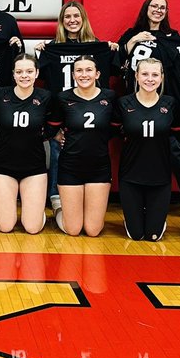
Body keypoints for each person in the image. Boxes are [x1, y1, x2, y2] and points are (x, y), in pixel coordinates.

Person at [49, 56, 119, 237]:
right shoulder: (64, 98)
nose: (84, 74)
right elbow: (52, 125)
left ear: (97, 74)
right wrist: (58, 135)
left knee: (93, 230)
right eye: (79, 71)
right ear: (73, 74)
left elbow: (116, 127)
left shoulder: (109, 97)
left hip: (99, 167)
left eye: (89, 70)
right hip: (70, 166)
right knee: (73, 230)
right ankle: (58, 208)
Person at [116, 57, 180, 241]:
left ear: (162, 77)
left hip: (160, 177)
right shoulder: (123, 104)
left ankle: (157, 220)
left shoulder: (170, 104)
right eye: (144, 74)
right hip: (130, 176)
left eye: (155, 74)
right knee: (136, 235)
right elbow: (111, 131)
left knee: (153, 236)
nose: (149, 79)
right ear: (136, 76)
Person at [0, 54, 57, 234]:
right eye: (19, 71)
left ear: (36, 73)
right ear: (13, 74)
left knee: (32, 228)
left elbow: (52, 126)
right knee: (5, 227)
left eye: (29, 71)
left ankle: (34, 209)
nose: (24, 76)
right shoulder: (0, 94)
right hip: (3, 167)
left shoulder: (46, 97)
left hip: (34, 168)